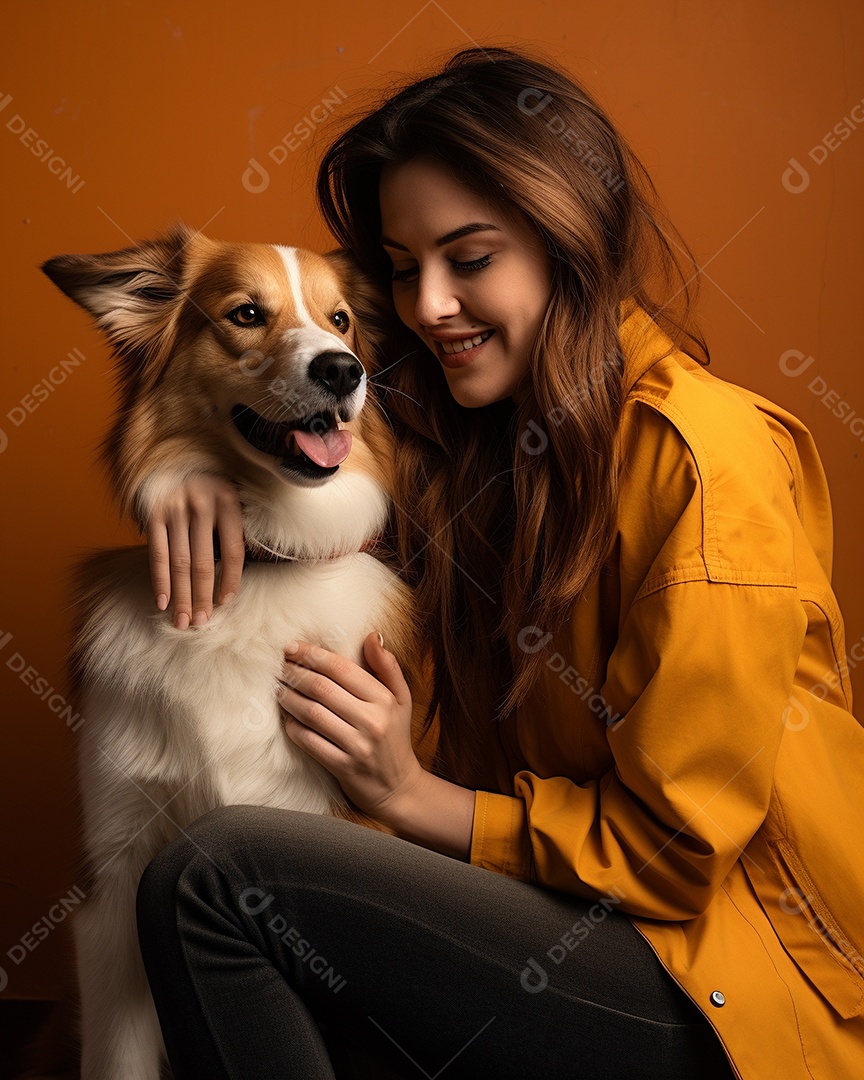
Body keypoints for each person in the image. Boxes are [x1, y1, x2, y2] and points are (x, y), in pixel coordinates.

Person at [133, 45, 864, 1079]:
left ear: (570, 240)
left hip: (728, 989)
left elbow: (674, 857)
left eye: (470, 259)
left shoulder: (707, 463)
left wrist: (413, 797)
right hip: (555, 924)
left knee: (218, 878)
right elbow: (288, 431)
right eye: (402, 268)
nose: (429, 305)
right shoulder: (471, 436)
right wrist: (197, 473)